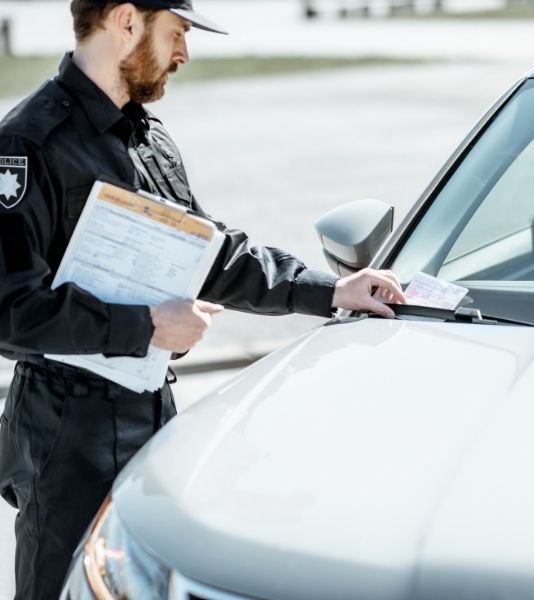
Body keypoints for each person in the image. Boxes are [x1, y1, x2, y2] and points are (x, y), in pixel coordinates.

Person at [0, 1, 405, 597]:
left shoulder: (148, 137)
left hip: (153, 415)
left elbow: (212, 254)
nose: (185, 53)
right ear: (127, 21)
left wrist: (331, 290)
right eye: (178, 33)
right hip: (65, 434)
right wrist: (144, 327)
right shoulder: (29, 143)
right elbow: (10, 312)